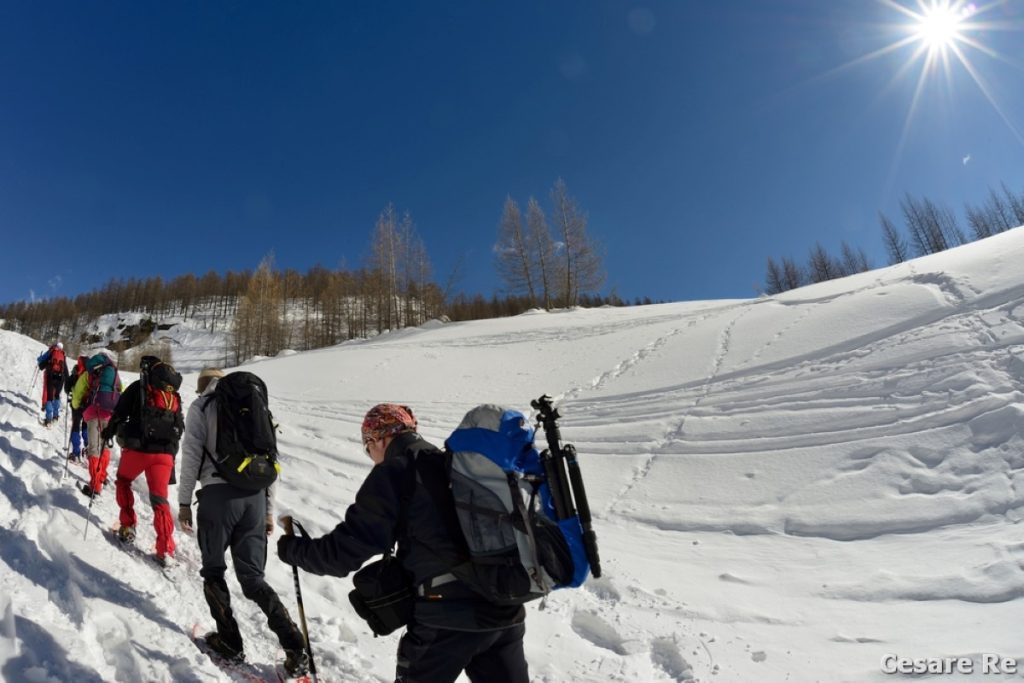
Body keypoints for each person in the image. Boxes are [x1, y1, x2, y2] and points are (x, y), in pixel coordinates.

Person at [276, 404, 529, 683]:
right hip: (505, 610)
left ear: (378, 439)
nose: (371, 456)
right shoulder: (454, 464)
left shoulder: (396, 472)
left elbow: (341, 555)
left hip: (446, 621)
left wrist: (293, 550)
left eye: (367, 447)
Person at [177, 368, 309, 677]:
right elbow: (271, 461)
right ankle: (294, 647)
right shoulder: (258, 407)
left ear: (202, 388)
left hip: (217, 498)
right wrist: (267, 510)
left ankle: (229, 641)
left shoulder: (203, 406)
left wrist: (184, 502)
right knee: (253, 579)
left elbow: (192, 454)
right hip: (254, 498)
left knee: (213, 571)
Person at [100, 356, 184, 564]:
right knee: (160, 500)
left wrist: (109, 432)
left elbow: (119, 412)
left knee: (123, 481)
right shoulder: (173, 395)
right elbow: (179, 426)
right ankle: (165, 548)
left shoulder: (140, 387)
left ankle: (127, 525)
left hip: (138, 449)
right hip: (164, 455)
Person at [72, 352, 122, 498]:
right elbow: (119, 391)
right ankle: (102, 476)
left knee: (93, 448)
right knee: (104, 445)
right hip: (109, 413)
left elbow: (77, 395)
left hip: (94, 413)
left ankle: (95, 485)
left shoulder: (90, 374)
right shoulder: (113, 374)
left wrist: (76, 407)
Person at [36, 342, 68, 426]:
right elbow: (66, 371)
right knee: (57, 396)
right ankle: (56, 416)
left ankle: (48, 419)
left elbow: (41, 366)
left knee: (50, 398)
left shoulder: (52, 353)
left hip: (51, 377)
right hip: (60, 379)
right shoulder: (63, 356)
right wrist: (67, 382)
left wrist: (41, 364)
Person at [65, 355, 89, 462]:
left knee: (75, 426)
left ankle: (75, 453)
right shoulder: (91, 373)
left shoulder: (76, 372)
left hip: (76, 405)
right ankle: (88, 449)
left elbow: (66, 388)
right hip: (89, 406)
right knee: (86, 426)